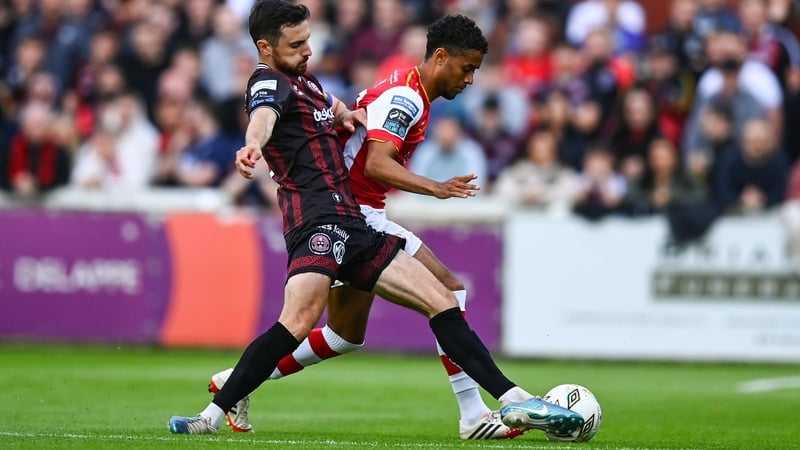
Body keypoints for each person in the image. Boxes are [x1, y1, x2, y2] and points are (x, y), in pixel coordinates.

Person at [166, 0, 583, 440]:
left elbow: (331, 104)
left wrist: (348, 113)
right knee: (298, 322)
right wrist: (252, 145)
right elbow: (265, 118)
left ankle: (513, 399)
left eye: (309, 39)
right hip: (319, 221)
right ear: (266, 48)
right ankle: (212, 414)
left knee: (437, 301)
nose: (309, 49)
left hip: (354, 221)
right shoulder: (268, 82)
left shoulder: (304, 81)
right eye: (297, 43)